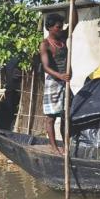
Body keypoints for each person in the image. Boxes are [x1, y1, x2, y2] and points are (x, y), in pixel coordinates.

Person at [39, 12, 77, 154]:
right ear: (49, 27)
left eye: (61, 27)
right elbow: (46, 67)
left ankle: (66, 145)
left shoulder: (62, 38)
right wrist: (60, 76)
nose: (60, 29)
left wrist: (73, 1)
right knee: (51, 117)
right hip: (54, 82)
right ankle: (54, 148)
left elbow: (74, 23)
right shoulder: (45, 44)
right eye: (58, 27)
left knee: (65, 115)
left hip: (64, 82)